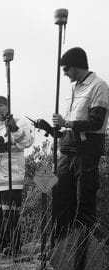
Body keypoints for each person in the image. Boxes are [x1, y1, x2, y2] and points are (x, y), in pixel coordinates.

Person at [52, 47, 109, 239]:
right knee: (61, 199)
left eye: (66, 69)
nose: (65, 73)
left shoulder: (98, 86)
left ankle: (85, 253)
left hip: (86, 152)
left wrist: (67, 122)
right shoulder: (73, 89)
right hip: (66, 150)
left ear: (76, 66)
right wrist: (58, 129)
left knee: (84, 202)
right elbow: (70, 124)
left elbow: (96, 122)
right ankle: (60, 247)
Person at [0, 95, 34, 255]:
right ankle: (2, 243)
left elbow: (27, 142)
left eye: (1, 105)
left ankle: (15, 245)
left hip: (11, 176)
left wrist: (15, 129)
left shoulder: (18, 122)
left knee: (10, 214)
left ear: (8, 106)